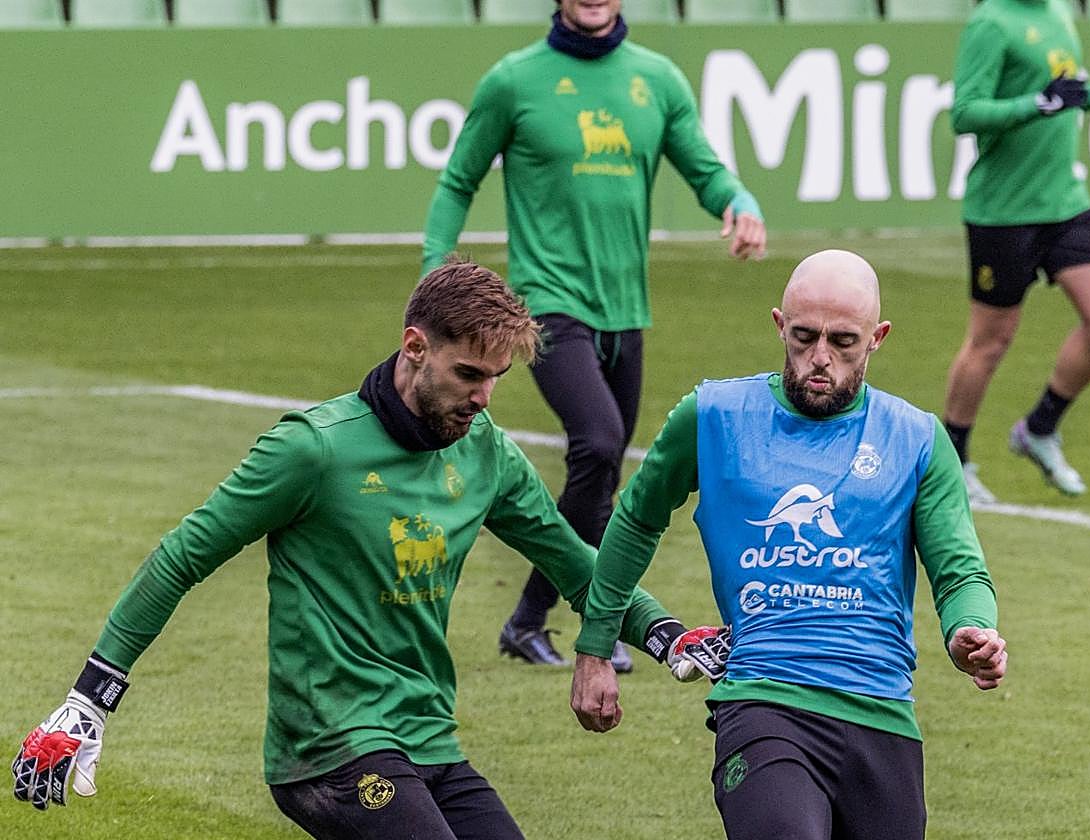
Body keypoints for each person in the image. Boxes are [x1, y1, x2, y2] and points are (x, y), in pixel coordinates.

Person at [11, 259, 712, 840]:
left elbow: (574, 563)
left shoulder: (486, 453)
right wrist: (91, 699)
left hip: (428, 739)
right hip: (328, 748)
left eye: (496, 377)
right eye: (469, 374)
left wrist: (664, 632)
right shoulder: (312, 449)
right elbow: (181, 556)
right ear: (415, 347)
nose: (485, 397)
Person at [570, 250, 1008, 840]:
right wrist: (595, 647)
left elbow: (959, 572)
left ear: (877, 338)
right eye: (804, 336)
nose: (820, 357)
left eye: (843, 341)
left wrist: (969, 630)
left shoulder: (918, 438)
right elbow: (635, 521)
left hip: (883, 712)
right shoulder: (714, 416)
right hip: (763, 701)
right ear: (780, 326)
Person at [422, 0, 767, 670]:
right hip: (548, 304)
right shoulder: (514, 81)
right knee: (600, 442)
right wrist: (435, 267)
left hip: (626, 313)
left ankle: (531, 622)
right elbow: (457, 180)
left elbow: (704, 170)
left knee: (601, 478)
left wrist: (740, 201)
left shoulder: (657, 79)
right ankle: (591, 623)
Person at [943, 0, 1090, 504]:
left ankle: (1040, 429)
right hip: (1003, 212)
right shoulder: (991, 22)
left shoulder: (1058, 13)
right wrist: (1036, 104)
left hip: (1065, 203)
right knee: (990, 340)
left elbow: (1066, 87)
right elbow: (964, 113)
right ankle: (952, 461)